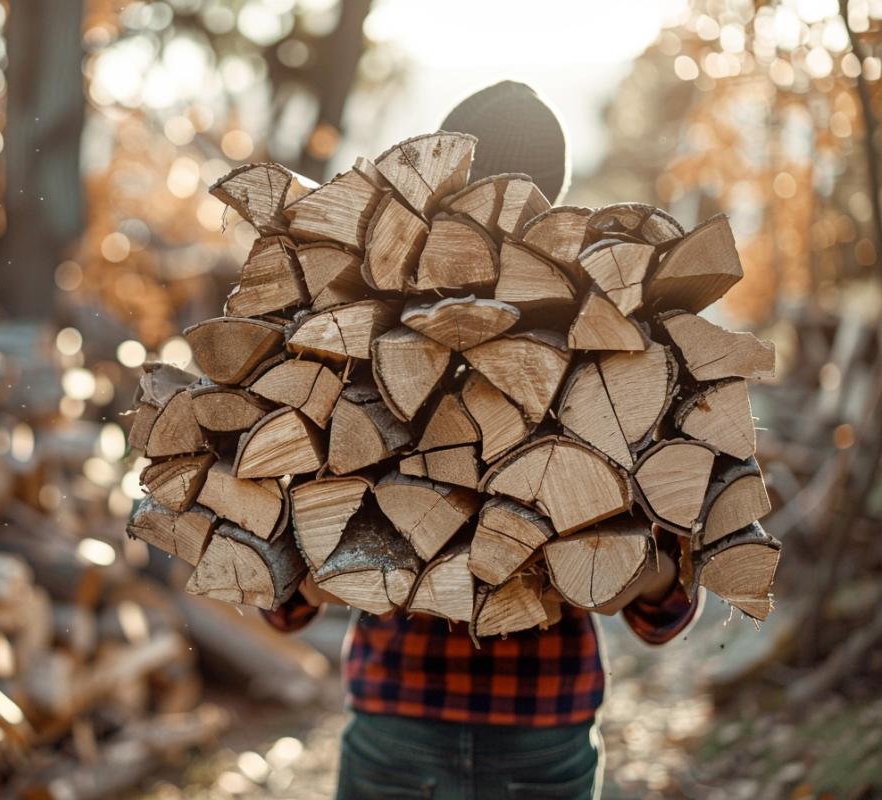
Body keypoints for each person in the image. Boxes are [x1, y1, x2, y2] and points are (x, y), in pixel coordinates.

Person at [263, 81, 702, 800]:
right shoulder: (604, 340)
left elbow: (283, 603)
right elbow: (664, 615)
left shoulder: (366, 319)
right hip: (543, 721)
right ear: (552, 196)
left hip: (399, 716)